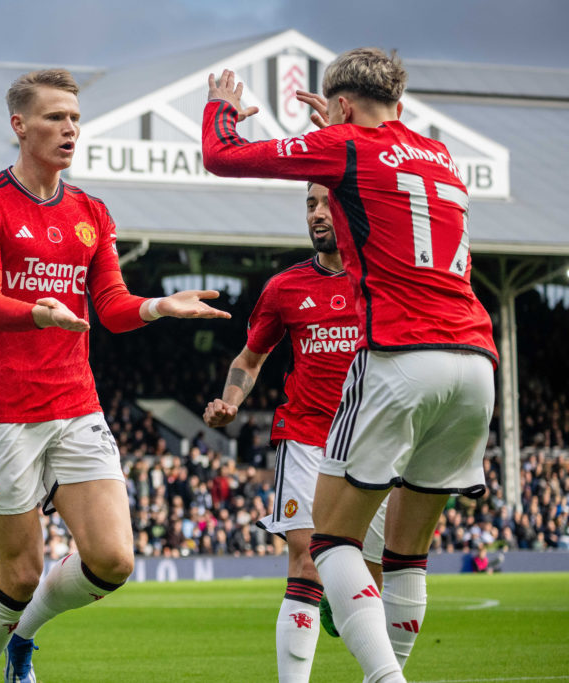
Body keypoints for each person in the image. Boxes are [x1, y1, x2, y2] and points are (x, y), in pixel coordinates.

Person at [202, 48, 497, 683]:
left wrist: (221, 110)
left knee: (329, 543)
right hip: (476, 361)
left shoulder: (347, 148)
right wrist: (327, 136)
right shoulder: (440, 156)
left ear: (341, 106)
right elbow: (381, 186)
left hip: (401, 354)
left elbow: (221, 157)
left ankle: (386, 679)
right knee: (404, 557)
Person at [0, 68, 231, 683]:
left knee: (112, 559)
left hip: (76, 405)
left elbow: (111, 305)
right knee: (19, 575)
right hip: (3, 413)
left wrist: (159, 306)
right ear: (20, 125)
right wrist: (38, 311)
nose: (69, 128)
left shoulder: (91, 211)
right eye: (55, 117)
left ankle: (23, 638)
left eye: (75, 118)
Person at [204, 182, 387, 681]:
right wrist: (231, 402)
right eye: (310, 204)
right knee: (306, 561)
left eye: (328, 203)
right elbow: (250, 358)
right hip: (305, 434)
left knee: (375, 572)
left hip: (372, 438)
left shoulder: (383, 278)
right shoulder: (285, 287)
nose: (318, 214)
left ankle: (343, 598)